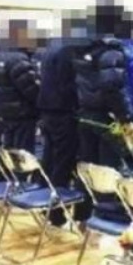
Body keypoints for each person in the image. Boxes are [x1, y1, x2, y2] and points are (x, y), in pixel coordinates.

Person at [73, 0, 133, 168]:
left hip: (84, 112)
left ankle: (88, 187)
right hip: (106, 117)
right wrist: (125, 117)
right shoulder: (110, 50)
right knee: (109, 166)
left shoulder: (81, 47)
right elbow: (112, 87)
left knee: (89, 165)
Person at [38, 12, 84, 225]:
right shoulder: (67, 50)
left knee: (49, 158)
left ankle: (45, 205)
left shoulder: (51, 46)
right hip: (63, 111)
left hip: (47, 109)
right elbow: (69, 84)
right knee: (62, 162)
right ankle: (56, 212)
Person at [0, 20, 40, 152]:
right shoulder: (19, 59)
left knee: (9, 148)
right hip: (23, 113)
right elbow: (30, 89)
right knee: (23, 152)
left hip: (5, 111)